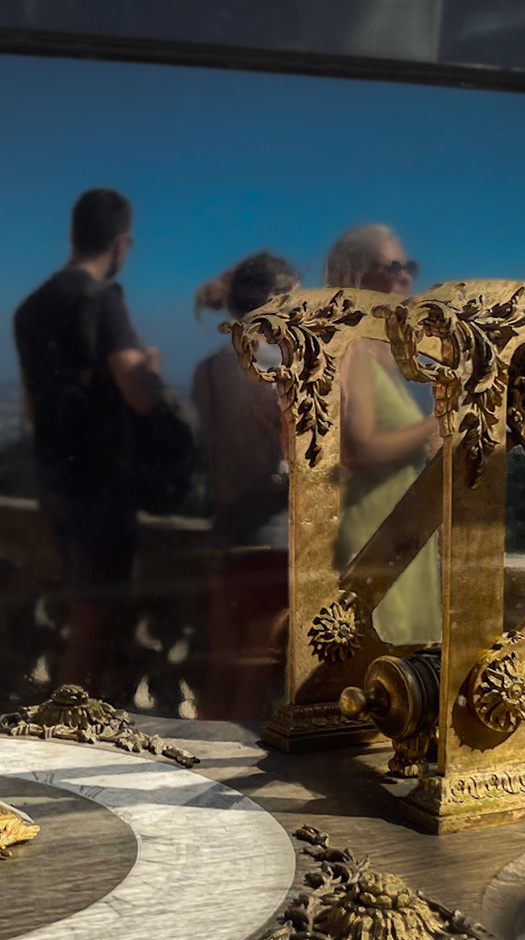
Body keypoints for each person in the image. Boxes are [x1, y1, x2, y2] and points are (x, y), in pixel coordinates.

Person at [13, 188, 166, 696]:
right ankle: (74, 734)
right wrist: (153, 369)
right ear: (121, 243)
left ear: (74, 235)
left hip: (53, 475)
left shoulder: (29, 308)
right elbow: (139, 393)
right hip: (99, 482)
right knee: (95, 628)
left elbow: (32, 408)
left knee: (85, 620)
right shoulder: (102, 299)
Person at [190, 252, 300, 721]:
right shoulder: (273, 365)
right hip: (272, 532)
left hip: (226, 524)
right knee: (256, 666)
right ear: (275, 300)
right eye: (296, 300)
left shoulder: (211, 366)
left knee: (223, 659)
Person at [326, 224, 442, 644]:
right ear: (357, 275)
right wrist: (436, 423)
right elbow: (359, 447)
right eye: (393, 266)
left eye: (408, 266)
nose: (407, 277)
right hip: (373, 533)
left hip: (399, 531)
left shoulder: (379, 349)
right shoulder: (353, 349)